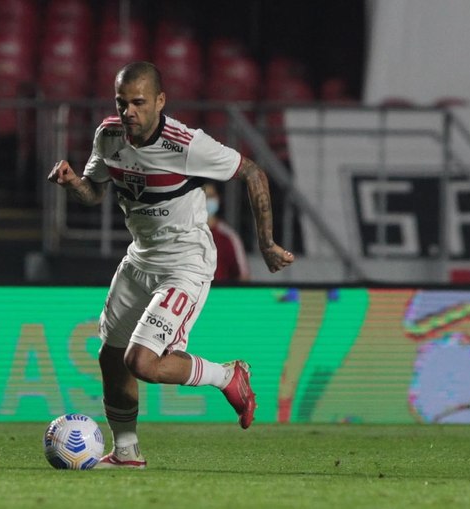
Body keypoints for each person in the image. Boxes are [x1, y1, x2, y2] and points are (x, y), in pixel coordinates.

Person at [47, 62, 294, 468]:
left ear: (161, 101)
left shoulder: (187, 144)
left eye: (139, 103)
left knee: (141, 361)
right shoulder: (109, 136)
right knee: (111, 356)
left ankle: (227, 376)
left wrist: (265, 244)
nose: (129, 112)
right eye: (121, 102)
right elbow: (95, 193)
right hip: (140, 258)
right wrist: (74, 182)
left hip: (186, 262)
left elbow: (252, 172)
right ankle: (126, 452)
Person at [203, 181, 250, 282]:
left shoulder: (228, 237)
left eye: (211, 196)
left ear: (218, 199)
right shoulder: (185, 233)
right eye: (204, 197)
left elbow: (243, 276)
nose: (207, 201)